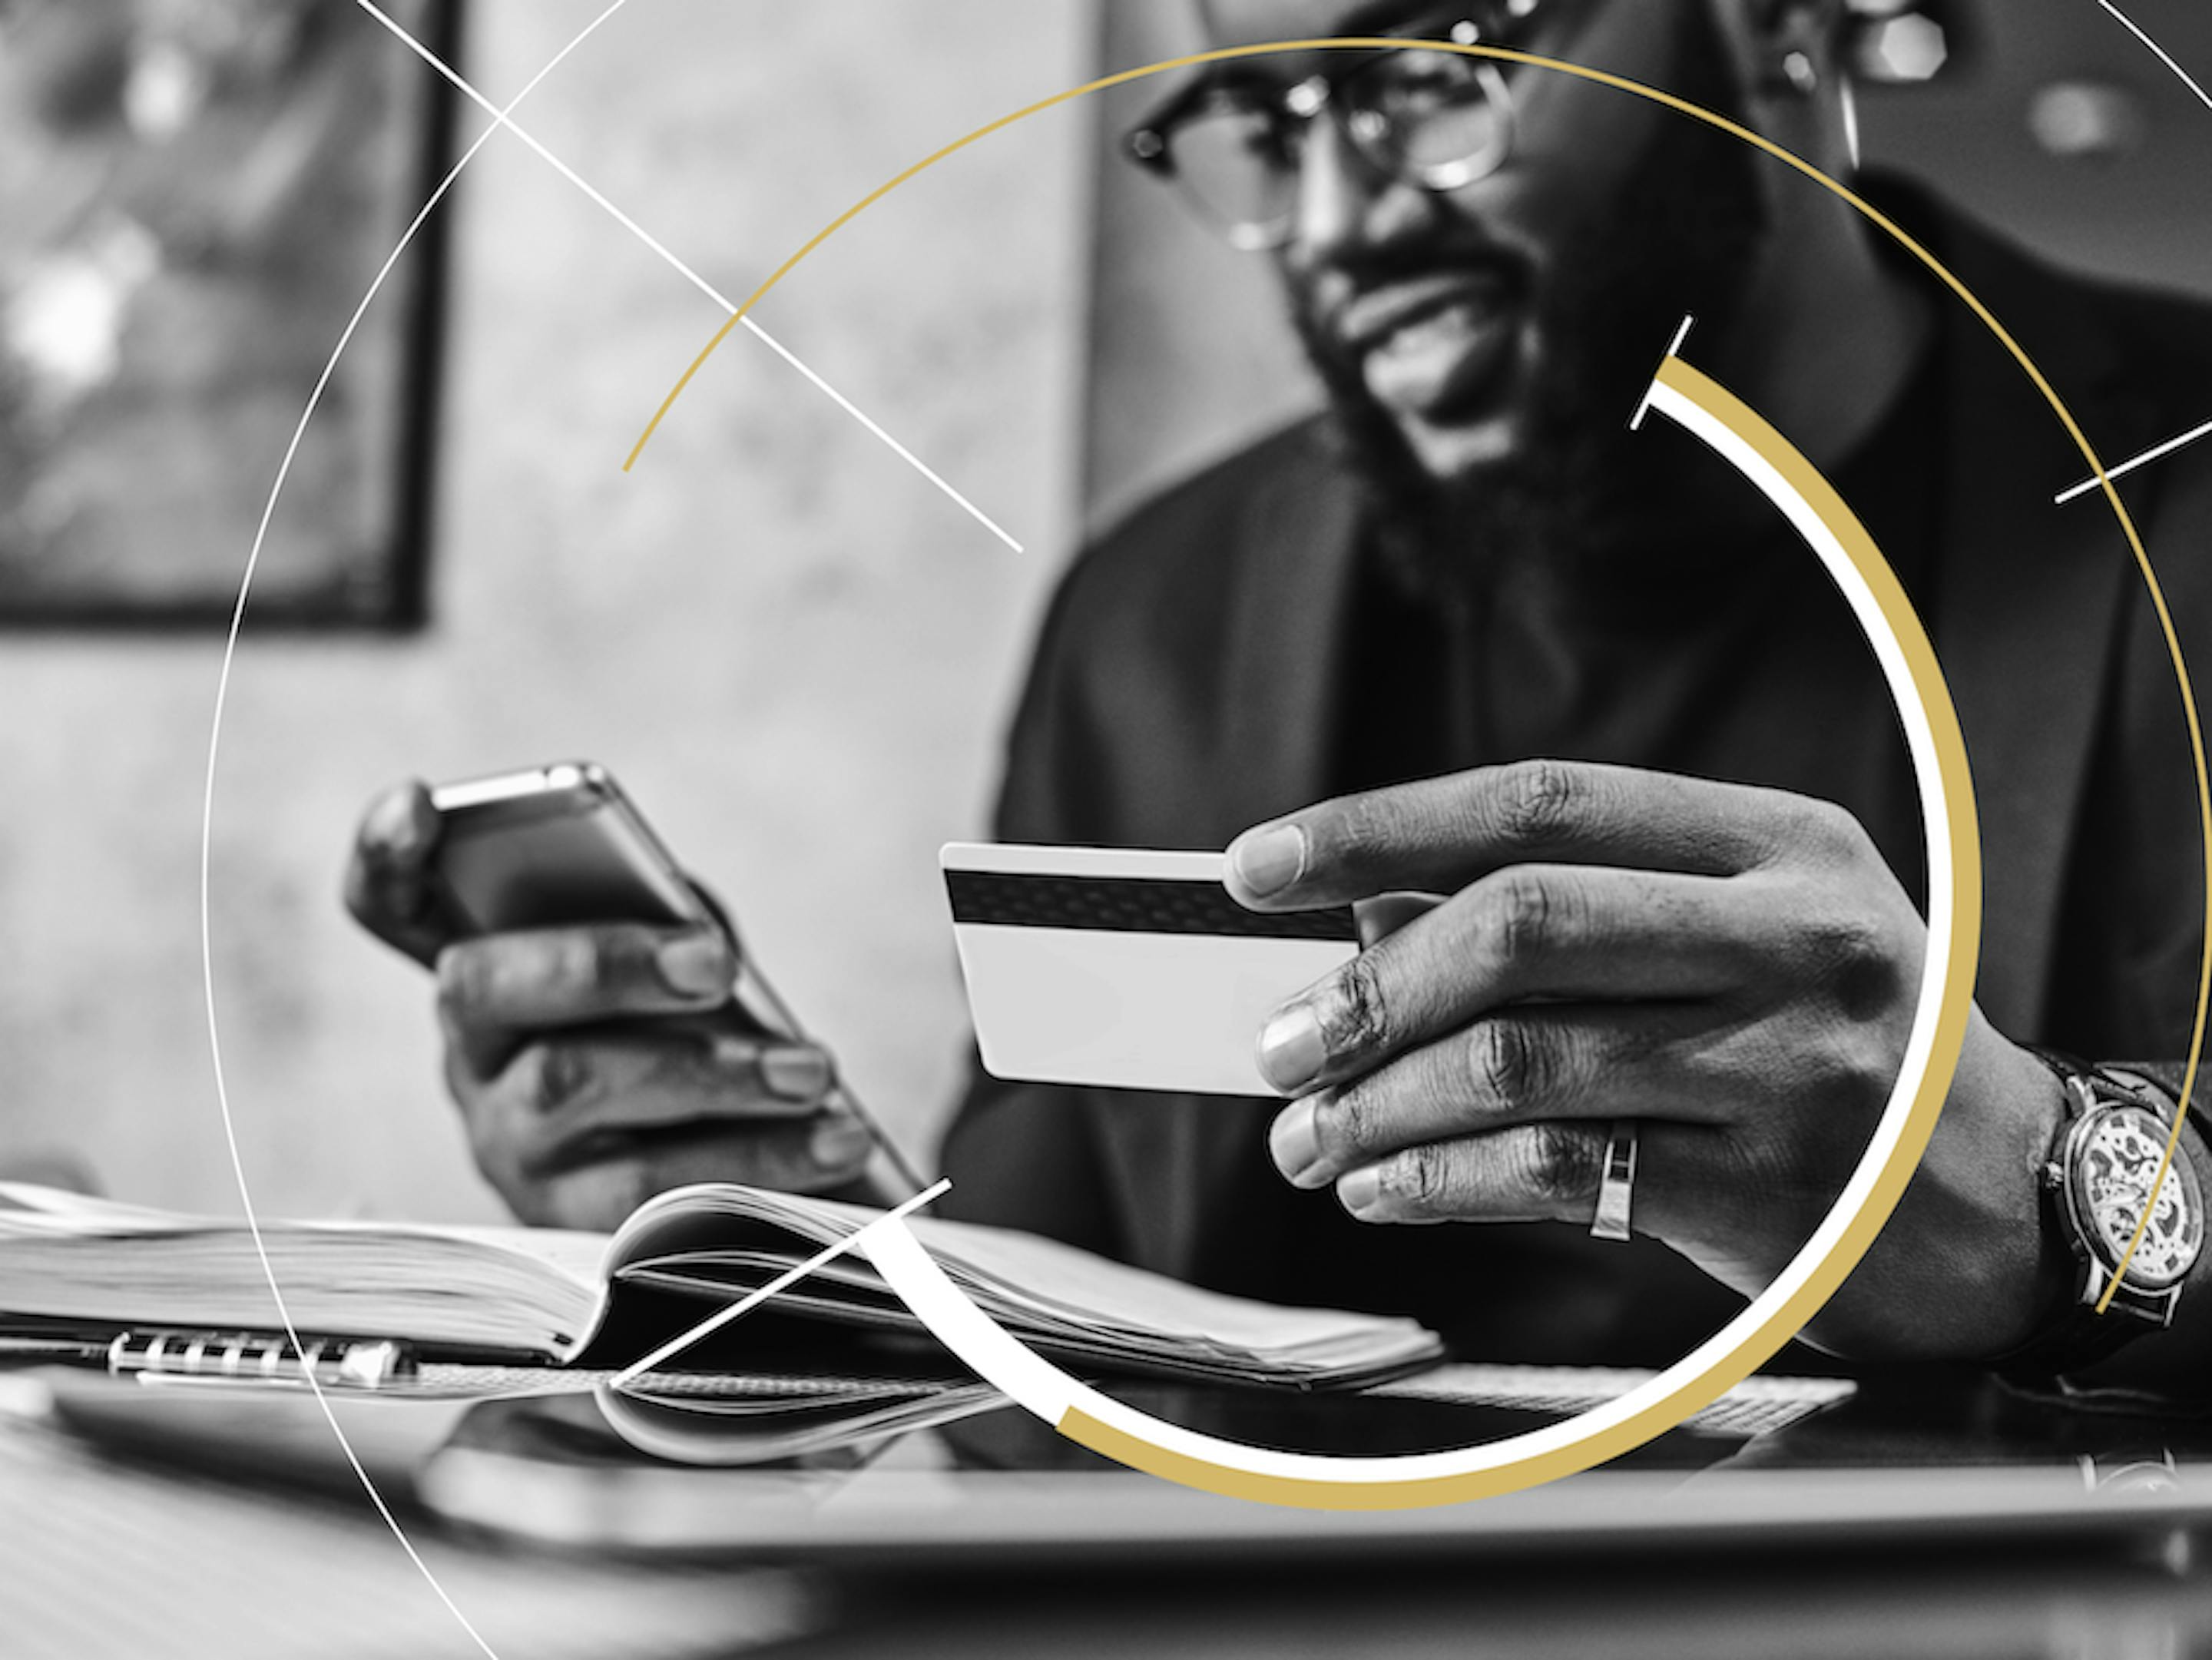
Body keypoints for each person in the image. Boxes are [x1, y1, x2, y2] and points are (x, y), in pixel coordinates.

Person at [349, 0, 2212, 1395]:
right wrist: (807, 1256)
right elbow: (1065, 1310)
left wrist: (2071, 1197)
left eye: (1437, 67)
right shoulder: (1151, 613)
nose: (1337, 219)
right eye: (1263, 116)